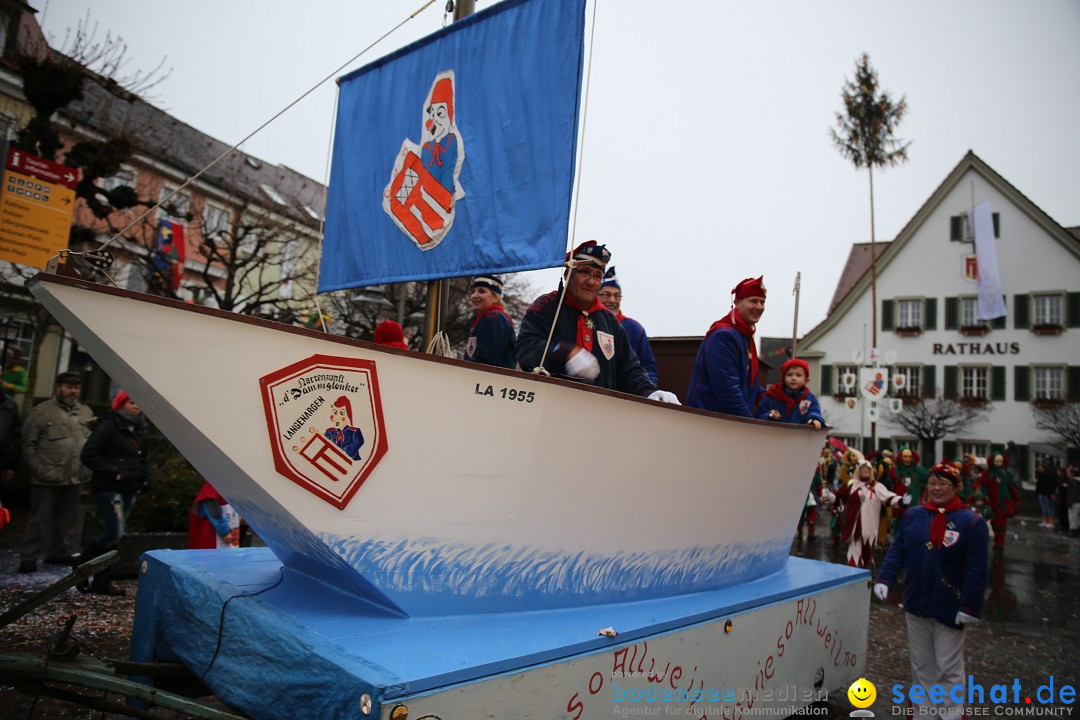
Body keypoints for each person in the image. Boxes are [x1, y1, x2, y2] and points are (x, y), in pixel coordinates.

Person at [874, 462, 990, 719]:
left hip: (950, 605)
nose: (936, 488)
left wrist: (971, 606)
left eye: (943, 484)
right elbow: (899, 550)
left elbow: (977, 569)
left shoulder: (970, 522)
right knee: (921, 665)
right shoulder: (914, 515)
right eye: (933, 483)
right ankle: (924, 714)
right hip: (917, 601)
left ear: (956, 487)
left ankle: (949, 715)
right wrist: (885, 578)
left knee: (948, 667)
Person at [516, 241, 677, 403]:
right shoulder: (546, 307)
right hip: (550, 406)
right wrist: (565, 352)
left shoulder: (610, 322)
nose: (591, 281)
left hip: (599, 413)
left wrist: (649, 392)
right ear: (567, 275)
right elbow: (525, 349)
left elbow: (629, 369)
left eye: (597, 276)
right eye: (585, 272)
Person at [18, 371, 94, 574]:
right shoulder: (42, 412)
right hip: (47, 476)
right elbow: (27, 444)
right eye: (69, 387)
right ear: (58, 387)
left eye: (76, 388)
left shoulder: (85, 412)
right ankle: (28, 556)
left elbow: (89, 442)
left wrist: (87, 469)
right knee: (38, 519)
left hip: (74, 476)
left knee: (65, 518)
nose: (73, 391)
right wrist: (39, 469)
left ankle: (57, 552)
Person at [79, 390, 150, 595]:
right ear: (121, 404)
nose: (137, 406)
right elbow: (89, 453)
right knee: (113, 531)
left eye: (139, 403)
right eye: (132, 402)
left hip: (130, 486)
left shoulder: (139, 428)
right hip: (110, 487)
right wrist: (113, 473)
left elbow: (143, 458)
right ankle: (81, 566)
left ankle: (101, 580)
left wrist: (145, 480)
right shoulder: (109, 425)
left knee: (114, 535)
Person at [686, 276, 766, 417]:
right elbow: (728, 390)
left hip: (725, 421)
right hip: (709, 421)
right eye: (753, 301)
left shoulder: (744, 336)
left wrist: (781, 401)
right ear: (737, 303)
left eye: (762, 302)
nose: (759, 307)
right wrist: (750, 426)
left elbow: (749, 387)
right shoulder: (724, 336)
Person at [832, 459, 902, 568]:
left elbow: (888, 498)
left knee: (866, 557)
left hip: (869, 528)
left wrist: (901, 501)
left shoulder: (877, 487)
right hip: (854, 528)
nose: (865, 470)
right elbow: (838, 497)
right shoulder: (852, 484)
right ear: (858, 470)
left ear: (871, 471)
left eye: (867, 468)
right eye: (862, 468)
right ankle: (852, 579)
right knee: (853, 559)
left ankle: (864, 580)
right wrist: (828, 496)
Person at [598, 266, 658, 386]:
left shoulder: (635, 329)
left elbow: (649, 367)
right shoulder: (588, 323)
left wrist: (650, 392)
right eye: (606, 294)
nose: (612, 300)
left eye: (617, 295)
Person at [463, 274, 516, 369]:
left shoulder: (494, 318)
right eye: (473, 291)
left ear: (495, 297)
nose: (474, 295)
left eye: (481, 291)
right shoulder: (487, 318)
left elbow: (486, 358)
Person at [754, 358, 823, 429]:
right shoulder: (772, 394)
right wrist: (770, 415)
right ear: (783, 378)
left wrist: (814, 419)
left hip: (798, 436)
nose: (793, 378)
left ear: (806, 380)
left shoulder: (809, 398)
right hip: (775, 434)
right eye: (789, 375)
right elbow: (759, 415)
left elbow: (814, 411)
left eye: (798, 375)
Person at [977, 453, 1020, 549]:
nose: (999, 463)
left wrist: (1016, 500)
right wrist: (985, 498)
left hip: (1003, 503)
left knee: (1001, 523)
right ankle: (989, 540)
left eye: (1001, 461)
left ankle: (1000, 542)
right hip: (990, 502)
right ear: (993, 462)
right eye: (997, 461)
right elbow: (984, 486)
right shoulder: (987, 473)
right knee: (991, 522)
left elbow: (1012, 488)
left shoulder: (1006, 474)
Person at [189, 480, 241, 549]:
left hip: (231, 530)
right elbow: (211, 504)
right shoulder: (216, 481)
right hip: (215, 535)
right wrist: (224, 531)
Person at [1034, 458, 1056, 528]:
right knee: (1044, 507)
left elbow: (1051, 485)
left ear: (1044, 468)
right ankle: (1045, 520)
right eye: (1039, 468)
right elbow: (1038, 485)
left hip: (1047, 493)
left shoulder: (1048, 475)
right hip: (1041, 493)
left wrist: (1052, 493)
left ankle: (1051, 522)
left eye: (1041, 468)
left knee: (1049, 507)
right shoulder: (1040, 475)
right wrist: (1037, 492)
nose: (1039, 469)